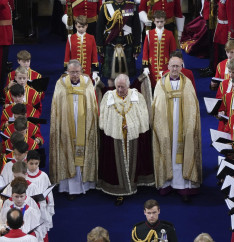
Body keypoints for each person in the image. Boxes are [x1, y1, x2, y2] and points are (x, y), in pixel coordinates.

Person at [98, 74, 154, 205]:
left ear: (128, 86)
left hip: (132, 136)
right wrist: (115, 126)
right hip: (115, 137)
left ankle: (134, 184)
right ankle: (119, 190)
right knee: (116, 163)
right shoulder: (109, 97)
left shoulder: (137, 97)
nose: (119, 90)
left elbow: (143, 117)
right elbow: (104, 118)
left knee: (134, 160)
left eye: (122, 87)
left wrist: (132, 125)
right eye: (117, 87)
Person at [152, 56, 202, 202]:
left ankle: (183, 186)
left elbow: (193, 107)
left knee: (183, 152)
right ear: (168, 66)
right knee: (167, 150)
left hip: (183, 126)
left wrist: (190, 125)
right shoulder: (161, 83)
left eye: (177, 66)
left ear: (182, 67)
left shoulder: (187, 84)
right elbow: (156, 105)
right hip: (166, 127)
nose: (174, 69)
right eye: (172, 66)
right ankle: (166, 183)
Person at [50, 59, 98, 200]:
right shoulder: (61, 84)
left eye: (77, 72)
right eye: (72, 72)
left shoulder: (88, 83)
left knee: (83, 151)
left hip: (83, 124)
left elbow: (92, 105)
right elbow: (56, 105)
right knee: (68, 152)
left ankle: (86, 184)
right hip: (66, 125)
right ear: (67, 72)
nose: (75, 75)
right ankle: (69, 187)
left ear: (81, 71)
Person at [96, 0, 141, 80]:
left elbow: (136, 27)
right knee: (110, 76)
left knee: (127, 76)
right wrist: (100, 46)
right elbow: (99, 28)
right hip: (110, 42)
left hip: (127, 42)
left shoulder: (132, 6)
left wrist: (136, 47)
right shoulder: (106, 6)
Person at [142, 10, 177, 87]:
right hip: (152, 66)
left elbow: (173, 51)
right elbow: (145, 51)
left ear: (165, 21)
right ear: (154, 21)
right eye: (157, 22)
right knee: (152, 86)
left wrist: (173, 65)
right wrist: (145, 66)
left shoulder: (170, 34)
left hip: (165, 65)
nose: (159, 24)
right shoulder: (149, 34)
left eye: (161, 21)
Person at [26, 150, 54, 233]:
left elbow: (49, 194)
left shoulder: (43, 176)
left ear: (39, 163)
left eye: (36, 163)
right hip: (28, 210)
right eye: (31, 163)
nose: (34, 166)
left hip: (41, 209)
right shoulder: (23, 176)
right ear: (26, 162)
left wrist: (48, 204)